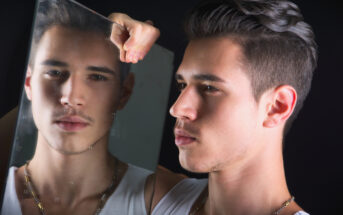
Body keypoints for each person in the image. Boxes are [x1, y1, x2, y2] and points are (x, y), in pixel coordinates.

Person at [110, 0, 318, 214]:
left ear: (277, 107)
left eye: (209, 88)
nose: (177, 108)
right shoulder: (155, 198)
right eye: (182, 85)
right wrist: (103, 35)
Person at [0, 0, 173, 214]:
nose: (71, 97)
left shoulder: (161, 198)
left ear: (124, 92)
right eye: (54, 72)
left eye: (97, 77)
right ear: (29, 83)